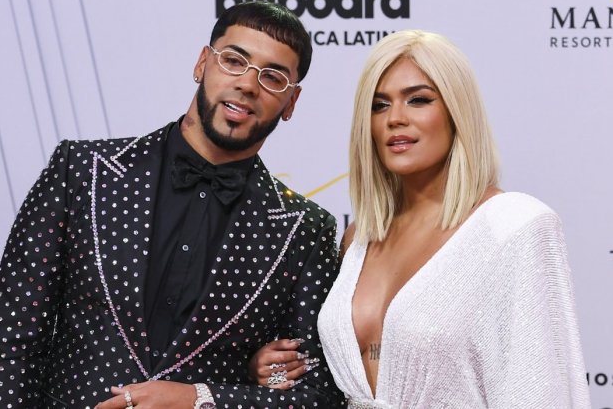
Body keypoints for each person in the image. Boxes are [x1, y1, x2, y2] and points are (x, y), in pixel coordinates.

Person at [0, 1, 347, 408]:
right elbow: (11, 341)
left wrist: (200, 398)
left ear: (291, 102)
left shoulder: (304, 231)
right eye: (234, 61)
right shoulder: (81, 171)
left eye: (273, 77)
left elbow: (315, 397)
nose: (248, 84)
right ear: (202, 63)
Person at [249, 30, 591, 408]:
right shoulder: (359, 239)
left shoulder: (514, 227)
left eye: (418, 100)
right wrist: (274, 371)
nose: (396, 118)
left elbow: (541, 390)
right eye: (379, 105)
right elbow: (331, 378)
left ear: (457, 110)